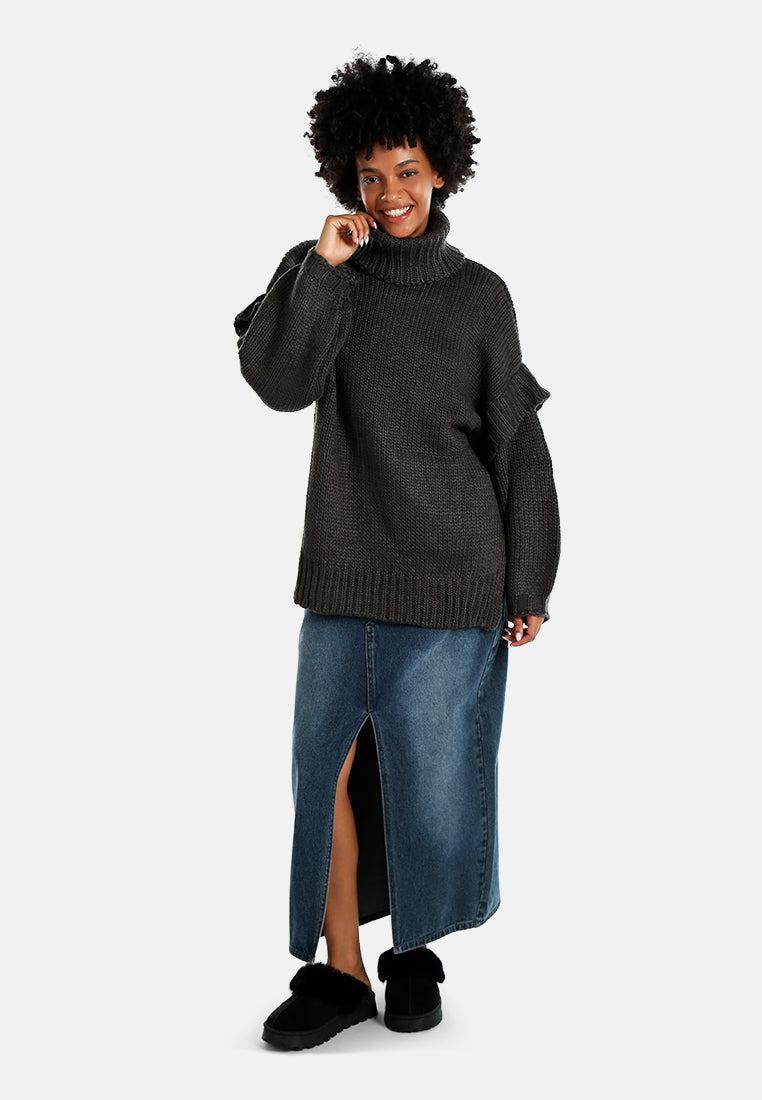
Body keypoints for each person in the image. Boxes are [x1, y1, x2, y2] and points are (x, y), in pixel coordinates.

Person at [233, 52, 561, 1051]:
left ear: (444, 170)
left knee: (429, 774)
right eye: (371, 175)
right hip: (343, 569)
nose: (389, 193)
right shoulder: (324, 275)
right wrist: (320, 265)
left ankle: (413, 950)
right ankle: (339, 968)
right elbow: (278, 382)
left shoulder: (480, 297)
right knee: (323, 772)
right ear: (348, 177)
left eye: (408, 170)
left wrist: (530, 576)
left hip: (456, 575)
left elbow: (518, 446)